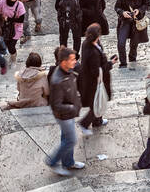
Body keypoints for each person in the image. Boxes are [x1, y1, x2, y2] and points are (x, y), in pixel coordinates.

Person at [47, 47, 84, 175]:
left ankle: (68, 163)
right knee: (71, 140)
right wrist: (72, 107)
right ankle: (52, 161)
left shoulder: (68, 71)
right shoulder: (57, 80)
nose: (75, 61)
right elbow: (56, 105)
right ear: (64, 62)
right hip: (64, 115)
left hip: (69, 113)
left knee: (66, 138)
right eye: (72, 59)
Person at [77, 25, 114, 131]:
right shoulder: (93, 52)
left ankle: (98, 121)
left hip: (89, 79)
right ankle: (85, 123)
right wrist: (111, 63)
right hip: (94, 82)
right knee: (97, 103)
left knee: (97, 101)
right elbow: (97, 71)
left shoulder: (87, 43)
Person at [114, 0, 150, 68]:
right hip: (125, 21)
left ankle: (132, 60)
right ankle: (123, 63)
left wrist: (139, 10)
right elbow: (117, 7)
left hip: (137, 22)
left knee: (134, 43)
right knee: (121, 43)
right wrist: (123, 13)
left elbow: (147, 5)